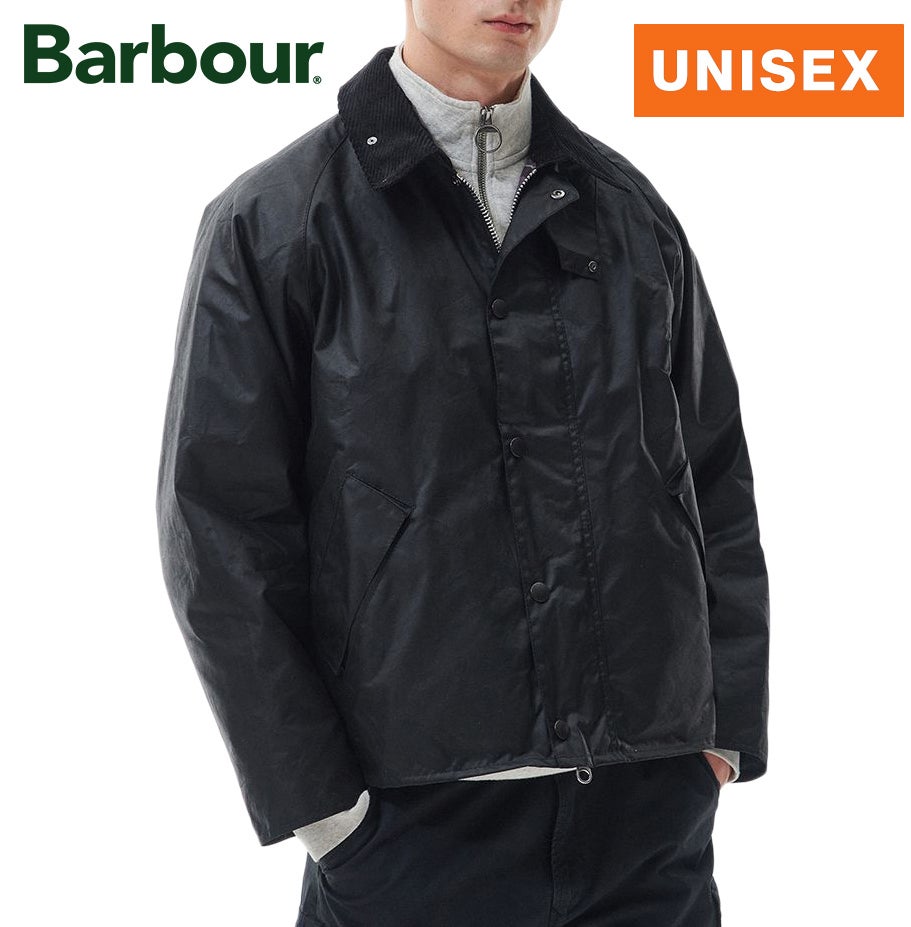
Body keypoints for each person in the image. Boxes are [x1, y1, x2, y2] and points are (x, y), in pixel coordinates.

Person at [156, 2, 770, 925]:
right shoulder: (277, 221)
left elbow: (713, 477)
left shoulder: (628, 211)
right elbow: (219, 527)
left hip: (648, 820)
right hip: (408, 830)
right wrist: (325, 813)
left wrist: (719, 737)